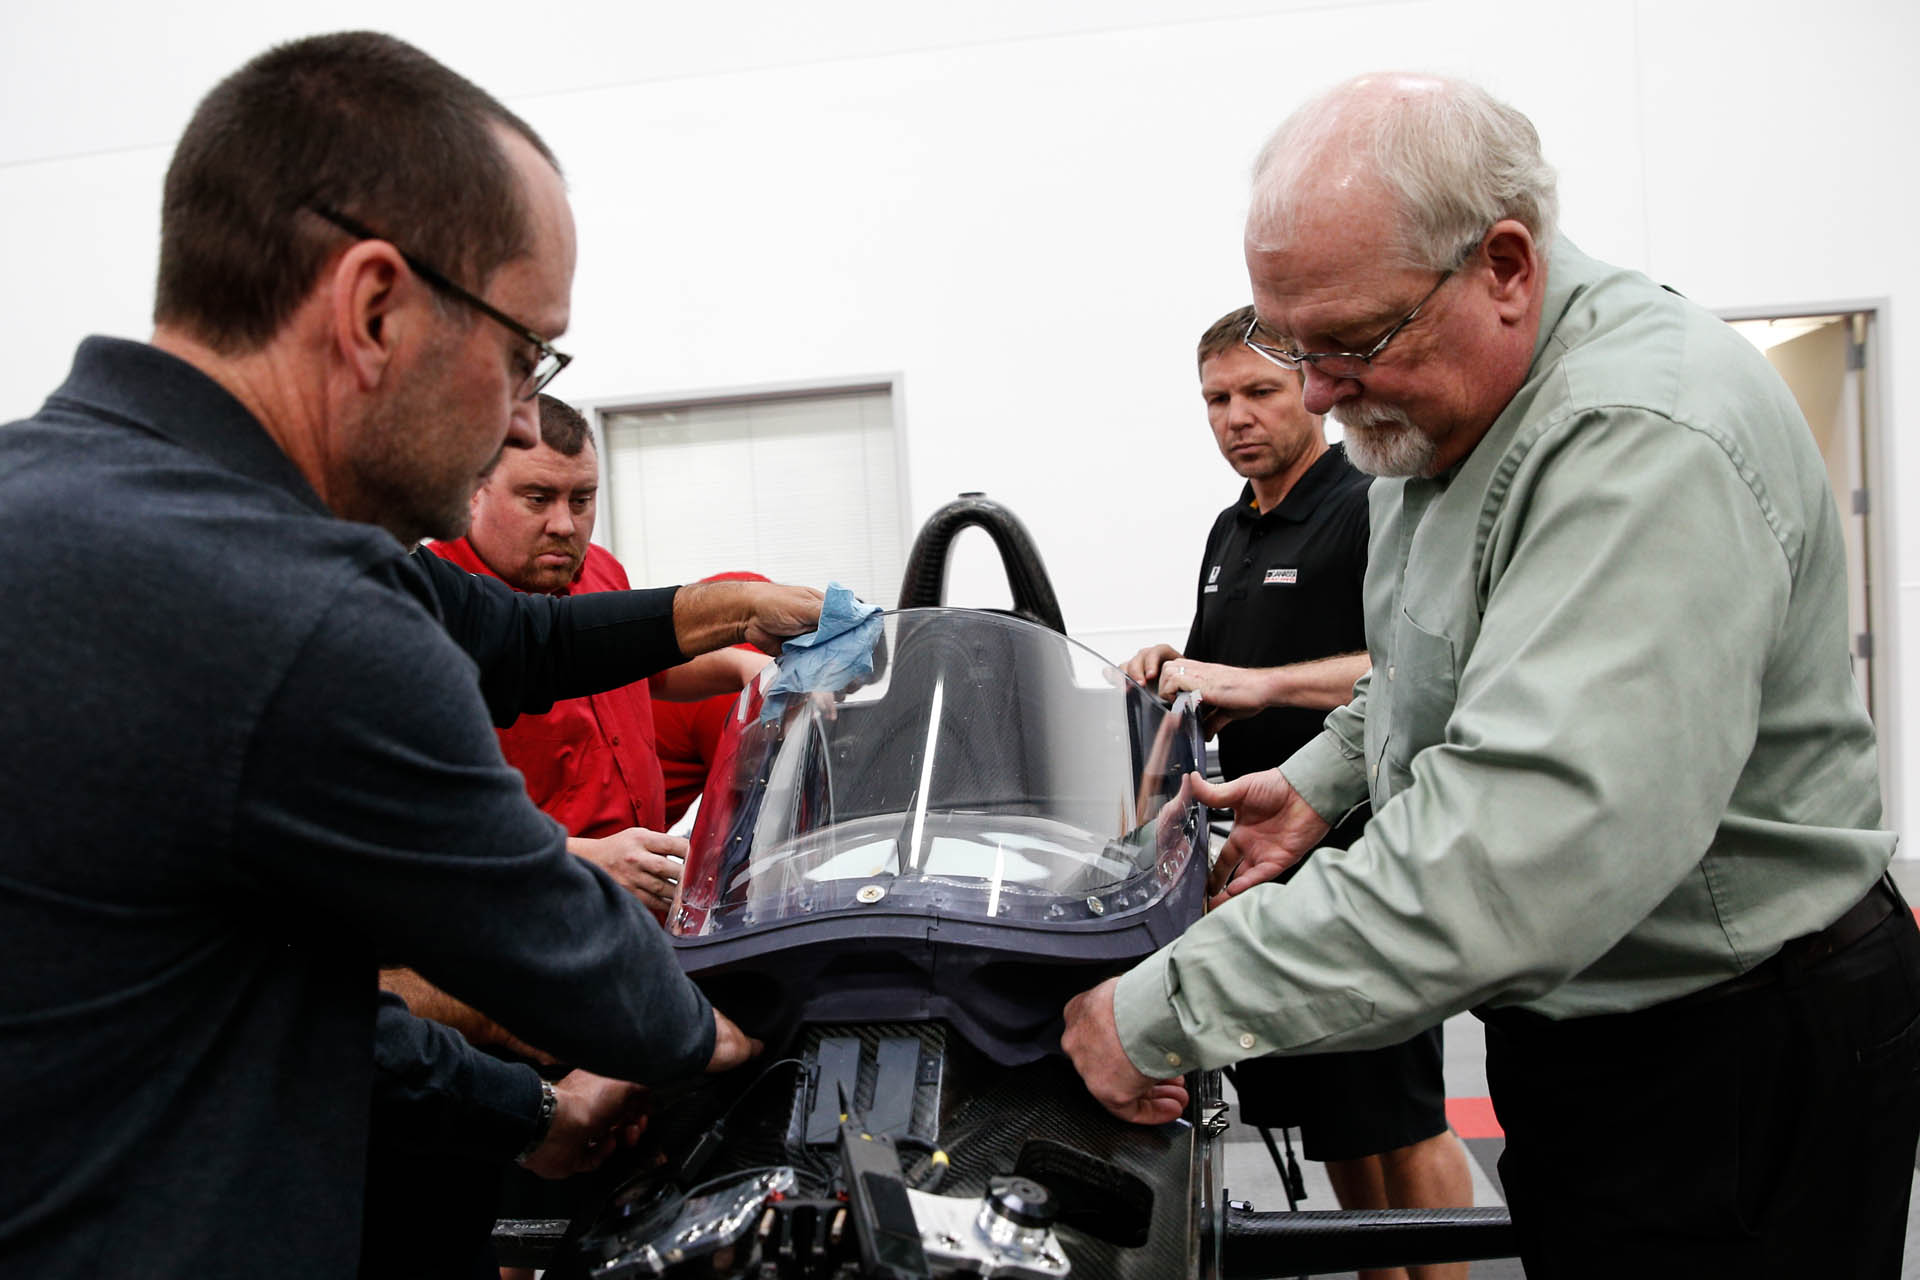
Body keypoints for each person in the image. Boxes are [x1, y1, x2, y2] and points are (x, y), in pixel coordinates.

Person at [1062, 72, 1920, 1275]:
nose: (1314, 394)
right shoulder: (1448, 407)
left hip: (1731, 1040)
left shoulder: (1640, 440)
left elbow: (1520, 848)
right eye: (1294, 350)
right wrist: (1319, 783)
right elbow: (1432, 662)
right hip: (1598, 1018)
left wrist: (1160, 1009)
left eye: (1347, 344)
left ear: (1505, 265)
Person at [0, 32, 821, 1278]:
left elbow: (515, 638)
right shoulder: (293, 609)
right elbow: (574, 963)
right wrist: (755, 1023)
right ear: (375, 307)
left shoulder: (65, 492)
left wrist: (729, 605)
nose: (515, 410)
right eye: (522, 355)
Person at [1124, 307, 1470, 1279]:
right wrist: (1179, 662)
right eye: (1217, 399)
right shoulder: (1232, 526)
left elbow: (1411, 664)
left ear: (1311, 389)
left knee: (1404, 1117)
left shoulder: (1372, 505)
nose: (1236, 417)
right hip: (1267, 858)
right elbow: (1238, 673)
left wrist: (1268, 685)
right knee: (1344, 1125)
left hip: (1367, 847)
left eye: (1258, 392)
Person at [430, 395, 766, 918]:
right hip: (524, 913)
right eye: (538, 499)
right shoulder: (434, 611)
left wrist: (742, 667)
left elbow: (648, 671)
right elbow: (426, 823)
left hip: (635, 904)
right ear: (474, 490)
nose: (565, 525)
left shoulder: (600, 570)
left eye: (581, 499)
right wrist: (583, 859)